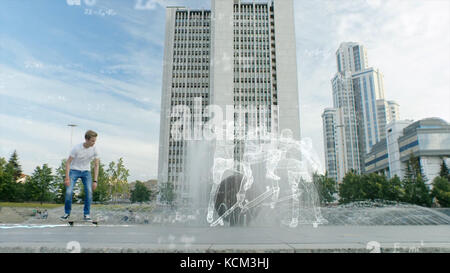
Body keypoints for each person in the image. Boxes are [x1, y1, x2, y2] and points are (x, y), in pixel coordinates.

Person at [60, 130, 100, 221]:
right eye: (92, 141)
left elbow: (96, 165)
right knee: (69, 192)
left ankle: (86, 215)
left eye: (95, 141)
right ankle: (67, 213)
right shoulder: (76, 148)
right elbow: (68, 163)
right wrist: (67, 178)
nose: (94, 143)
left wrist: (95, 181)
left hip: (86, 172)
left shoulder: (95, 149)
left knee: (89, 191)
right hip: (74, 170)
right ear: (86, 139)